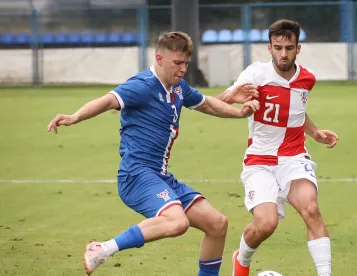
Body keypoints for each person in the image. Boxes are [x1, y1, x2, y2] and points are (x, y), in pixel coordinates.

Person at [47, 31, 259, 276]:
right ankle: (102, 249)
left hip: (160, 176)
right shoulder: (142, 85)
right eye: (177, 63)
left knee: (217, 224)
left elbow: (208, 103)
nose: (182, 69)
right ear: (159, 58)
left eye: (186, 63)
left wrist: (239, 113)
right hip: (136, 175)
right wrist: (75, 117)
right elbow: (107, 101)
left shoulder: (178, 88)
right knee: (177, 222)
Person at [219, 20, 340, 276]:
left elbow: (296, 113)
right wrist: (232, 98)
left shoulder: (307, 80)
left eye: (289, 48)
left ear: (298, 48)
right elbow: (220, 100)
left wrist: (315, 133)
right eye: (278, 47)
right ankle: (241, 260)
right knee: (266, 224)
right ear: (269, 48)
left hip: (293, 156)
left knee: (312, 209)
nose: (283, 54)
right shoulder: (256, 74)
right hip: (259, 160)